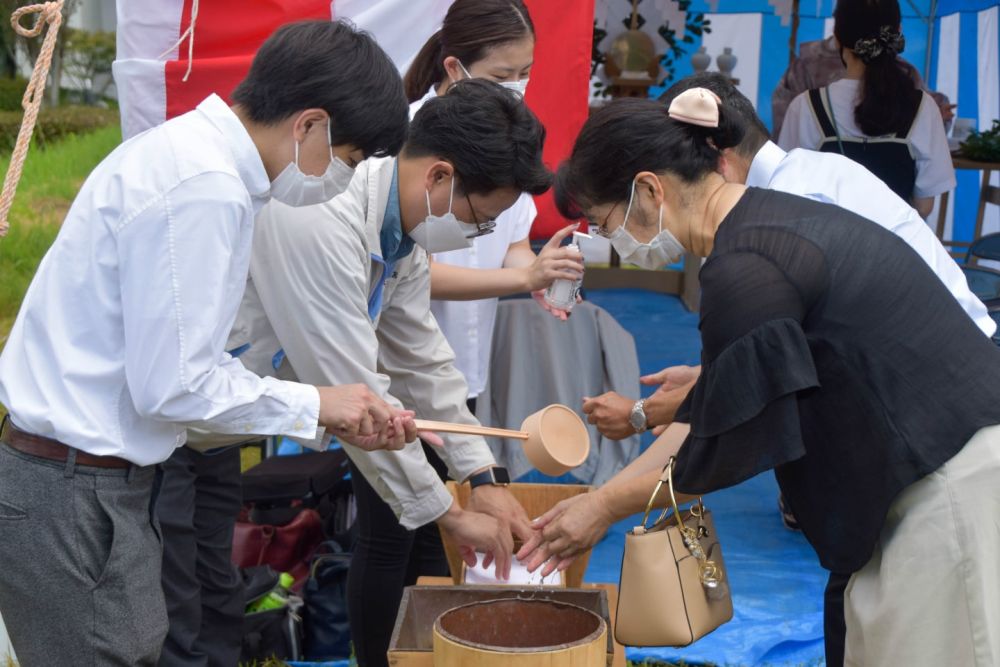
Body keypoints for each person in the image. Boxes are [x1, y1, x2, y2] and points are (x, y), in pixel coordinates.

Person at [521, 89, 1000, 666]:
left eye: (606, 223)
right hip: (925, 465)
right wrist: (663, 411)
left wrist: (600, 507)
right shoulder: (768, 221)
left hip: (940, 480)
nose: (614, 243)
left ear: (650, 190)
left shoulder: (746, 265)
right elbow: (765, 377)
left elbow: (727, 437)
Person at [0, 19, 417, 667]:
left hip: (92, 480)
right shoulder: (204, 187)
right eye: (350, 161)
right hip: (74, 488)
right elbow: (176, 385)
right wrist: (317, 405)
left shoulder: (195, 161)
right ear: (309, 125)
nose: (343, 179)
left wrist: (321, 404)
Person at [228, 78, 551, 667]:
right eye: (482, 219)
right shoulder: (321, 220)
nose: (478, 235)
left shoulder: (401, 229)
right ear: (439, 177)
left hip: (232, 411)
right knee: (184, 615)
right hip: (190, 419)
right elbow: (358, 390)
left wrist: (485, 480)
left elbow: (421, 358)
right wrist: (452, 515)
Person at [405, 0, 585, 407]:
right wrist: (524, 279)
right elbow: (409, 274)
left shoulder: (512, 138)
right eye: (502, 76)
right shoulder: (404, 144)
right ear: (454, 68)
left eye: (525, 73)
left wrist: (542, 274)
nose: (516, 87)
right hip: (402, 375)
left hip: (467, 365)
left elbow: (514, 246)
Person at [778, 0, 955, 218]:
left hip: (827, 248)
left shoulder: (806, 107)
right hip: (896, 248)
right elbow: (924, 206)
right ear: (898, 31)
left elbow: (787, 193)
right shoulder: (923, 107)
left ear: (837, 35)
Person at [771, 34, 955, 139]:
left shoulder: (904, 72)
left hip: (818, 195)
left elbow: (786, 141)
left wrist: (931, 114)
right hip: (890, 196)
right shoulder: (805, 67)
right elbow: (925, 202)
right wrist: (930, 116)